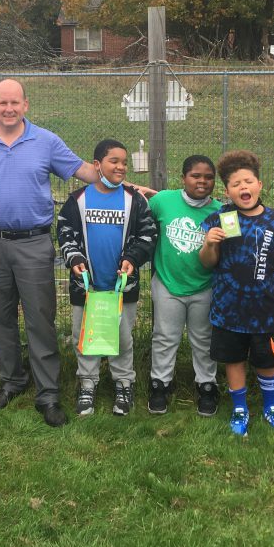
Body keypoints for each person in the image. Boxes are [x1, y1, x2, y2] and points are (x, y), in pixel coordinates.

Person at [0, 79, 102, 427]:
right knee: (0, 317)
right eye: (2, 103)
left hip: (34, 243)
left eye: (14, 103)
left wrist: (115, 177)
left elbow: (82, 171)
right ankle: (11, 382)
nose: (8, 109)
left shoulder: (45, 141)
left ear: (25, 105)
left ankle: (48, 393)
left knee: (40, 318)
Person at [199, 150, 274, 437]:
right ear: (227, 190)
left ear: (260, 185)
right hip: (228, 309)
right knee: (234, 360)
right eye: (236, 184)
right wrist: (209, 244)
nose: (244, 187)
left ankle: (271, 408)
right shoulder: (220, 218)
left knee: (268, 360)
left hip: (266, 308)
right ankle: (239, 409)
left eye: (249, 181)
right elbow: (207, 263)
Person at [57, 139, 157, 417]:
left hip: (122, 288)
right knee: (84, 336)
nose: (121, 167)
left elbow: (148, 235)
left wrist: (132, 258)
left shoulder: (134, 200)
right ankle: (87, 384)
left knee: (122, 338)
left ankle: (124, 384)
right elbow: (65, 232)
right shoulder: (78, 200)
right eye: (114, 161)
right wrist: (75, 258)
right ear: (98, 165)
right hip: (86, 287)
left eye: (124, 162)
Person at [146, 155, 222, 416]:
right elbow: (140, 207)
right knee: (165, 336)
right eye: (195, 176)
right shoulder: (163, 200)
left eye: (208, 177)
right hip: (168, 283)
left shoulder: (221, 211)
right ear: (183, 178)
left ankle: (207, 386)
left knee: (203, 338)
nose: (202, 181)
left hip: (204, 285)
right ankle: (160, 384)